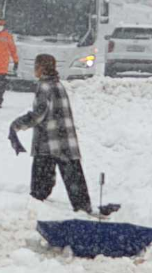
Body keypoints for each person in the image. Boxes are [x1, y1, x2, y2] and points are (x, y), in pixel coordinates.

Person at [11, 53, 92, 216]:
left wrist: (17, 125)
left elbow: (38, 115)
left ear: (41, 68)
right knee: (74, 178)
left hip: (47, 142)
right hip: (66, 141)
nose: (35, 69)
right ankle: (84, 209)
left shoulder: (44, 87)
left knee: (40, 184)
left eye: (36, 66)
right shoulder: (58, 85)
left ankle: (35, 211)